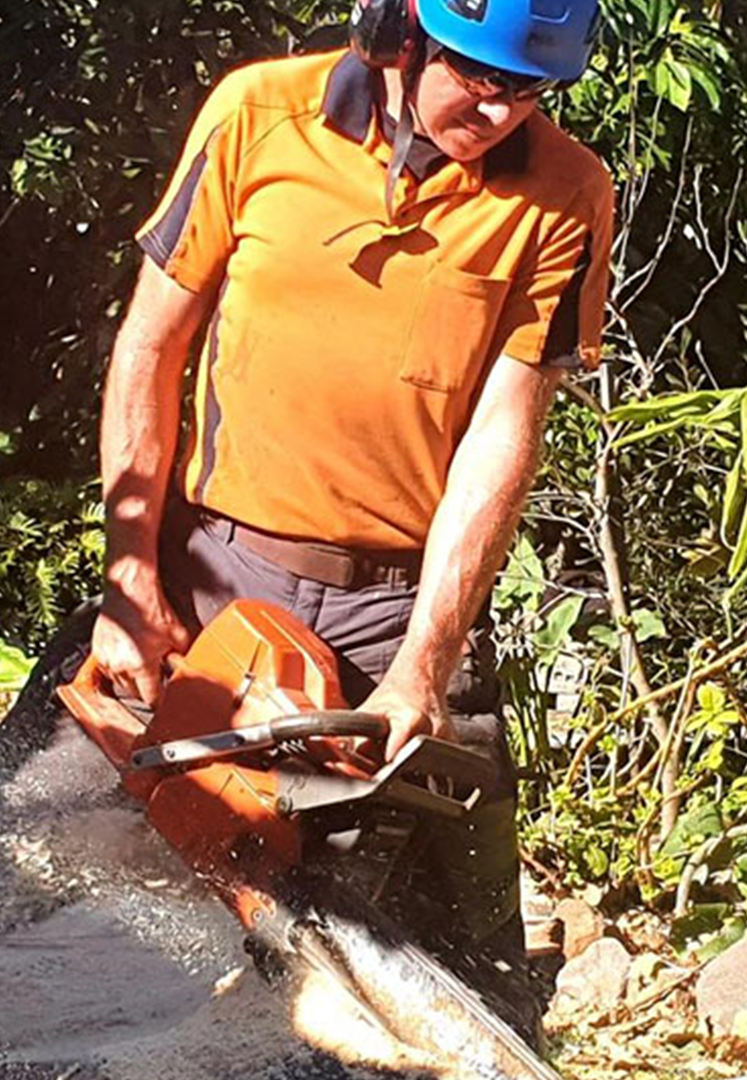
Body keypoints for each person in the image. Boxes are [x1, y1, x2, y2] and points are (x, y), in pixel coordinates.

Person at [89, 0, 613, 1035]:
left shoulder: (566, 192)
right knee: (121, 897)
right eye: (480, 75)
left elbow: (502, 437)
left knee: (464, 970)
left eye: (530, 88)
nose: (501, 108)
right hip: (215, 571)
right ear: (400, 33)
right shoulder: (258, 113)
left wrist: (427, 659)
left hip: (397, 601)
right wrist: (129, 579)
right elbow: (151, 347)